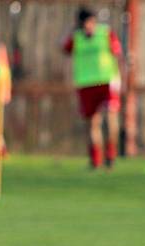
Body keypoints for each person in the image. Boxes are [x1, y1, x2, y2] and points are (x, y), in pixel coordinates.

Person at [62, 7, 122, 169]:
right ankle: (95, 159)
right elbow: (63, 48)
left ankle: (111, 154)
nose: (89, 25)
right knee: (92, 123)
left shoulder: (105, 33)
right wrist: (71, 30)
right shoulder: (76, 38)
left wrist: (119, 77)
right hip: (86, 83)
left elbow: (118, 54)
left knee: (111, 118)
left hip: (106, 82)